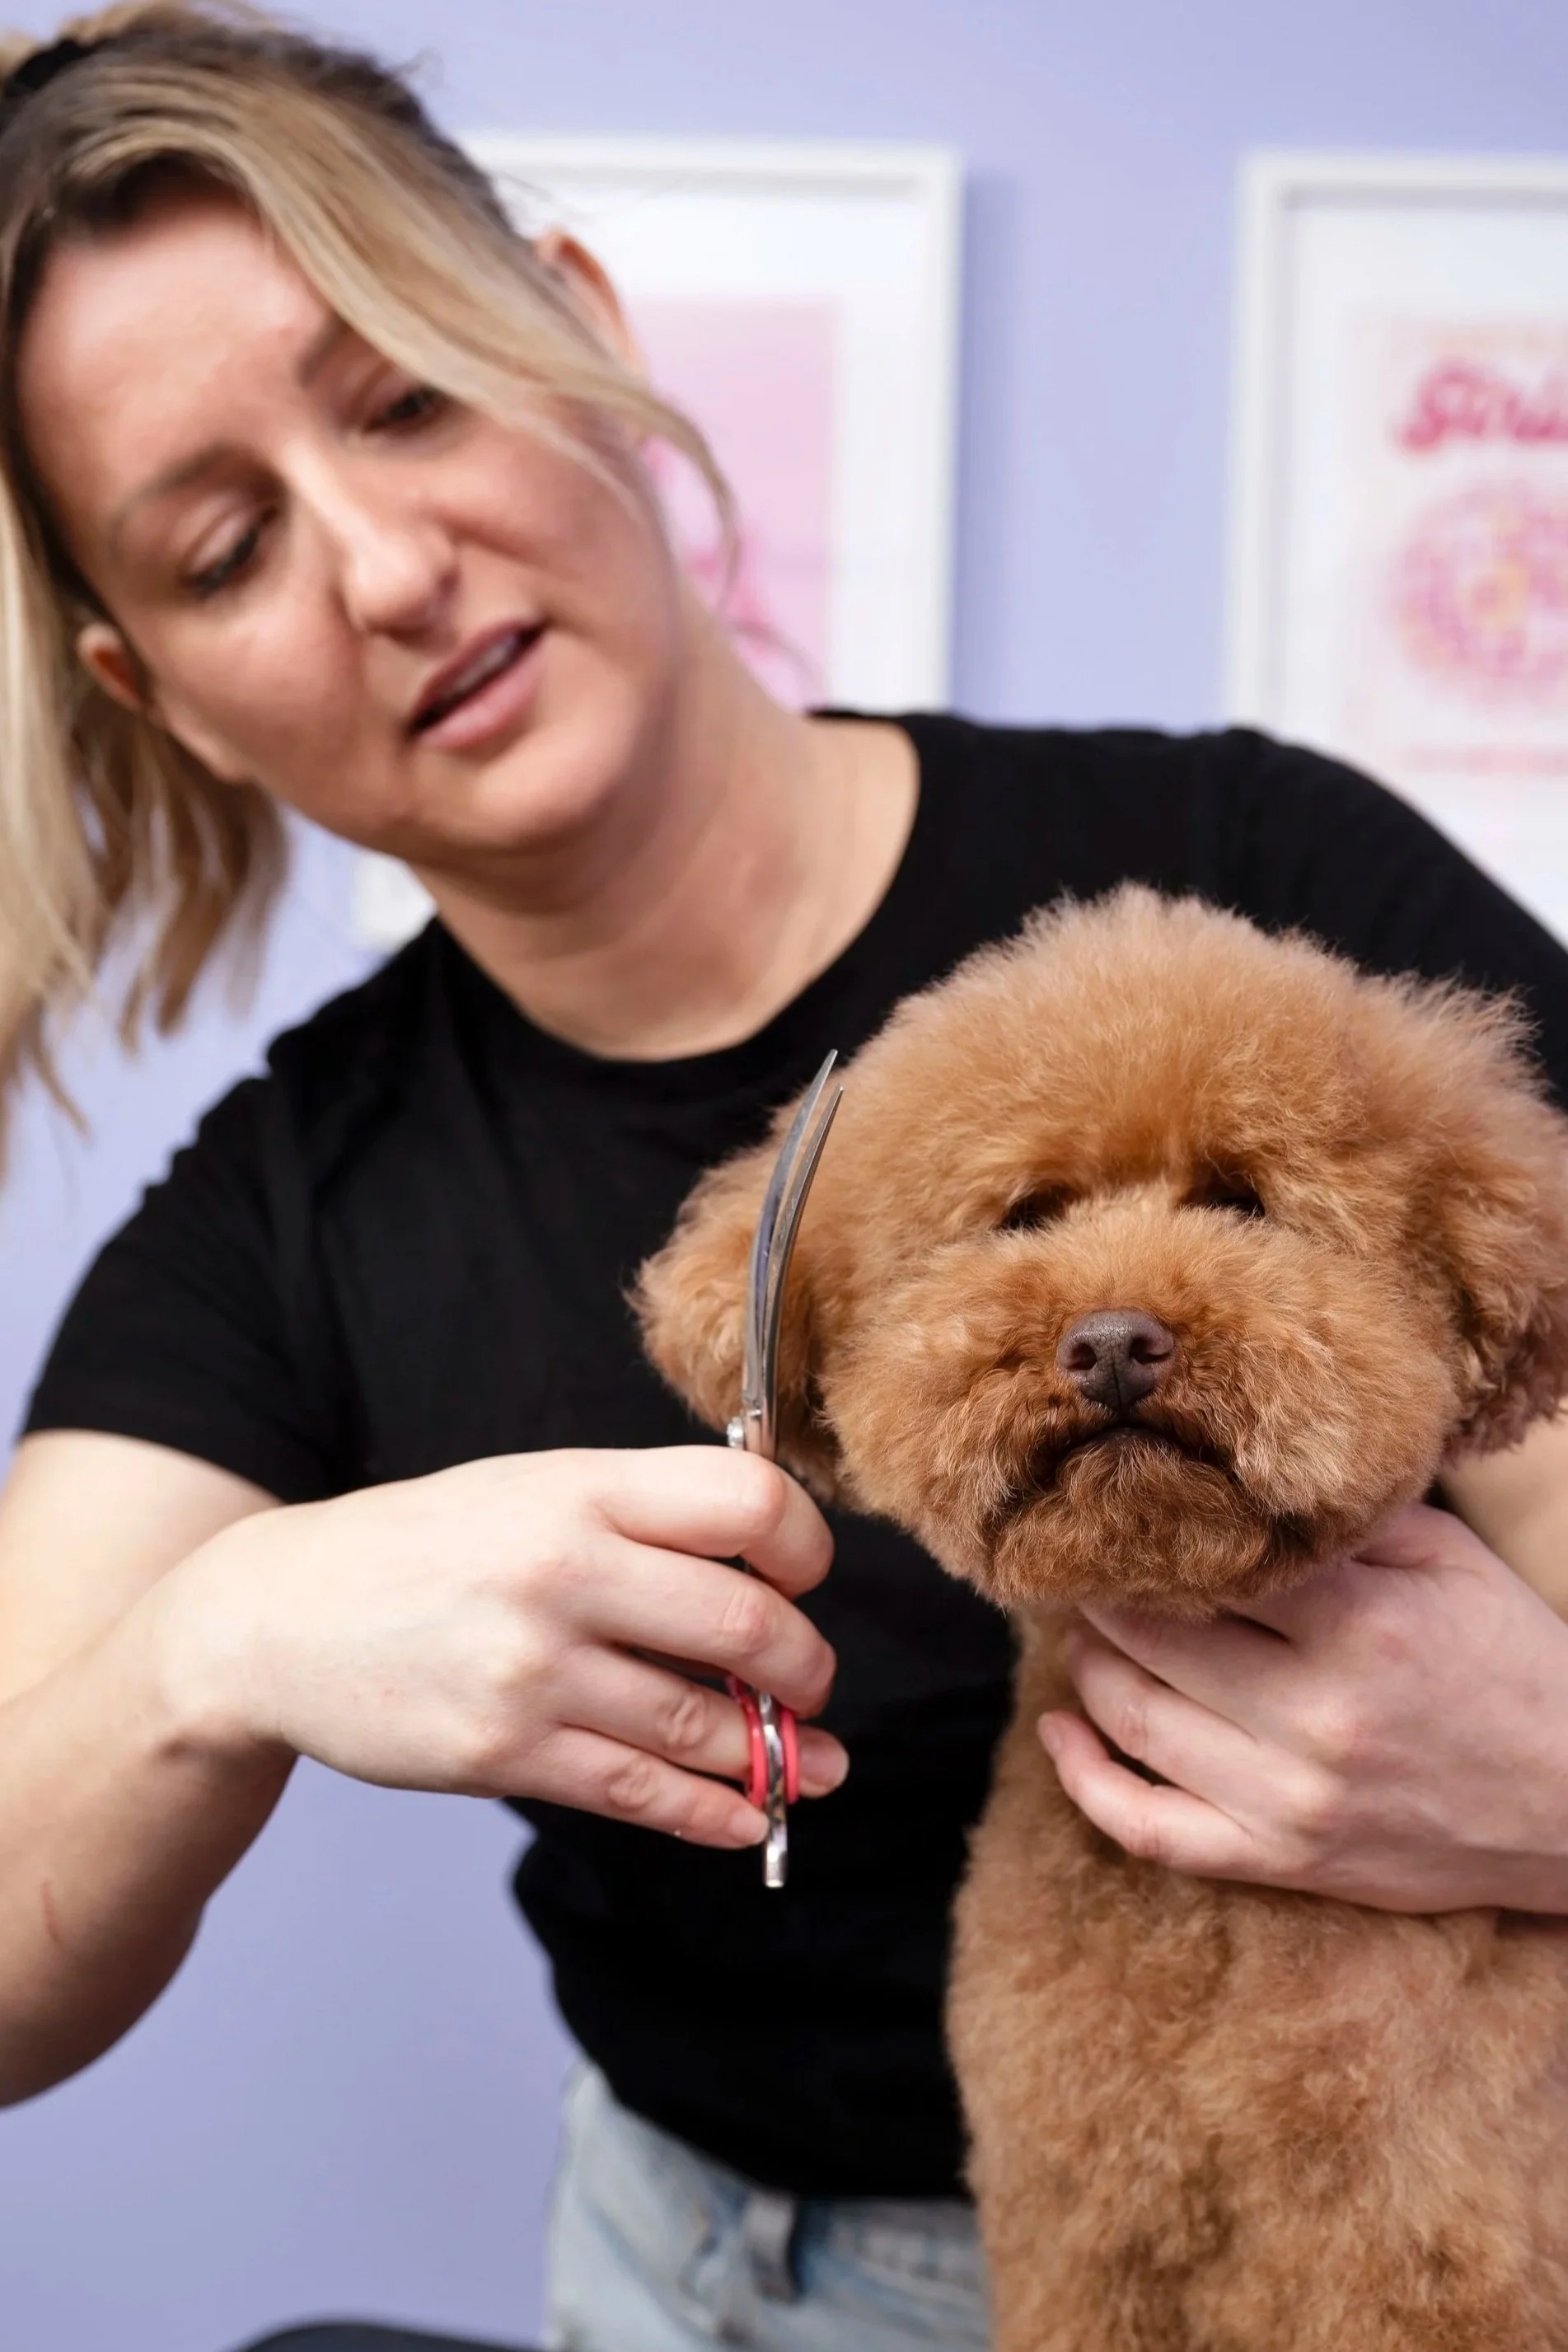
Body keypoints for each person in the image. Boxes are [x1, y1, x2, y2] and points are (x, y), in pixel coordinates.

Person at [2, 9, 1568, 2350]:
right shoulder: (288, 1208)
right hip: (675, 2263)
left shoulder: (1257, 884)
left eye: (407, 394)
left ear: (584, 329)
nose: (387, 568)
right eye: (227, 550)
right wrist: (224, 1641)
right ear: (164, 692)